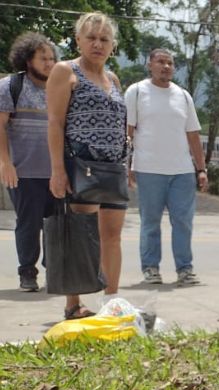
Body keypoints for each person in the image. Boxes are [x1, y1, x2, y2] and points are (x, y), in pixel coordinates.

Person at [46, 12, 128, 319]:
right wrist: (57, 170)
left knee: (112, 235)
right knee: (82, 233)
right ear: (78, 39)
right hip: (81, 165)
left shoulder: (114, 79)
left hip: (113, 167)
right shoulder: (64, 71)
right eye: (91, 38)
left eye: (104, 39)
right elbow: (54, 123)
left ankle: (112, 301)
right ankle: (74, 304)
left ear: (112, 45)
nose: (97, 44)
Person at [126, 48, 208, 287]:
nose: (166, 67)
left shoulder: (183, 96)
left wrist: (201, 169)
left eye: (170, 63)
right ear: (150, 64)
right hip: (149, 169)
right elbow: (128, 131)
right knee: (150, 222)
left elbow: (193, 135)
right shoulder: (137, 92)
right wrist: (127, 164)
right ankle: (151, 268)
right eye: (160, 62)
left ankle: (185, 269)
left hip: (182, 171)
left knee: (183, 222)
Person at [1, 32, 58, 293]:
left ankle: (55, 270)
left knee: (56, 224)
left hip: (58, 171)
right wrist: (5, 163)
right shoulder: (10, 86)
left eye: (51, 58)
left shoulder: (61, 88)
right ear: (27, 61)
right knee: (29, 222)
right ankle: (27, 273)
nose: (49, 63)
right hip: (23, 170)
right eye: (42, 58)